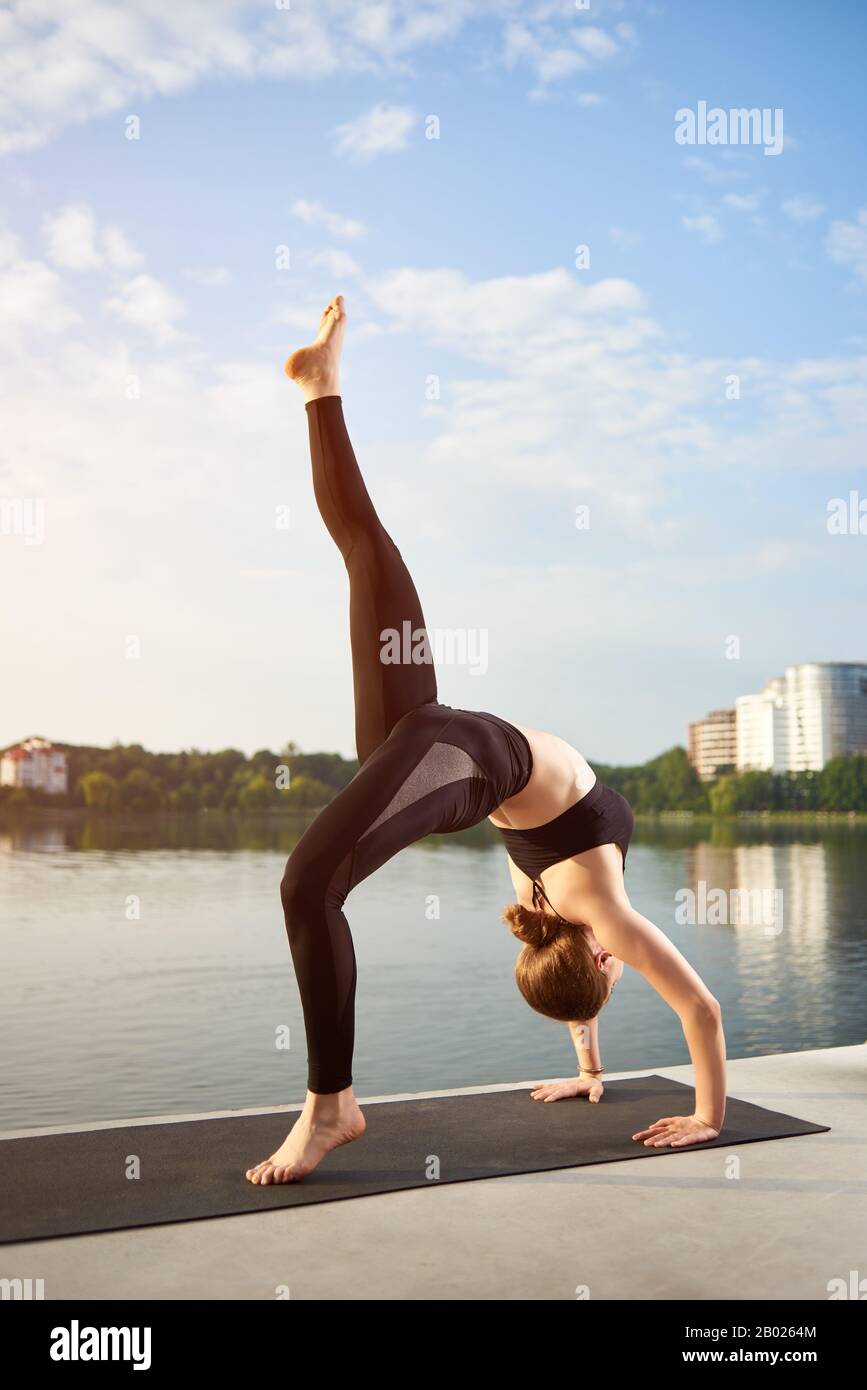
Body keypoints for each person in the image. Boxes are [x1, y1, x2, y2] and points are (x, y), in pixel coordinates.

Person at [245, 297, 726, 1185]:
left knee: (311, 884)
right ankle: (321, 387)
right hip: (437, 747)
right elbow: (697, 1007)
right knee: (362, 554)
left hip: (442, 749)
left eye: (603, 979)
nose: (617, 974)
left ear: (586, 954)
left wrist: (592, 1071)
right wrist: (704, 1119)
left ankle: (331, 1105)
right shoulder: (585, 911)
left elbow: (637, 992)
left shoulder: (582, 915)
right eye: (612, 982)